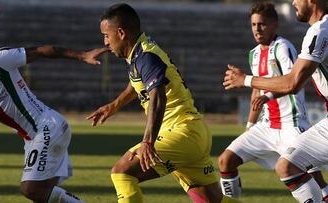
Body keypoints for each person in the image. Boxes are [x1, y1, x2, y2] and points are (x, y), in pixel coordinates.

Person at [86, 3, 240, 203]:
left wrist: (148, 141)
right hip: (191, 133)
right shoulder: (139, 54)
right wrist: (113, 106)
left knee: (122, 172)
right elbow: (137, 84)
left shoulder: (146, 56)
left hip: (181, 132)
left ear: (121, 33)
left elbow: (158, 96)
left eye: (107, 35)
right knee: (212, 201)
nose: (105, 42)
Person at [0, 25, 108, 203]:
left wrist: (83, 55)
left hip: (47, 127)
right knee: (44, 195)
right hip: (32, 137)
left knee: (30, 189)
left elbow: (43, 51)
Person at [218, 2, 328, 201]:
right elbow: (263, 89)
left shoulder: (315, 33)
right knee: (281, 165)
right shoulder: (255, 53)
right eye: (253, 24)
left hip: (292, 124)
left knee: (310, 176)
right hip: (271, 125)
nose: (293, 2)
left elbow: (293, 82)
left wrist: (245, 80)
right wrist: (250, 126)